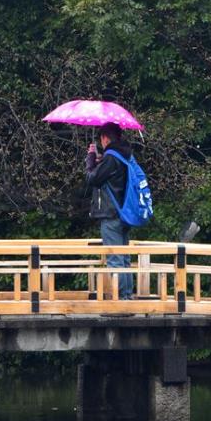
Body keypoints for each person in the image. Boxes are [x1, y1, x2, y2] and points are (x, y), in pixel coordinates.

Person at [85, 123, 137, 300]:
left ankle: (119, 300)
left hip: (111, 214)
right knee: (124, 259)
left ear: (105, 138)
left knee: (115, 259)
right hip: (124, 213)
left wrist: (90, 159)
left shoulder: (111, 157)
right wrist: (100, 161)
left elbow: (92, 178)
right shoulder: (125, 155)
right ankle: (127, 297)